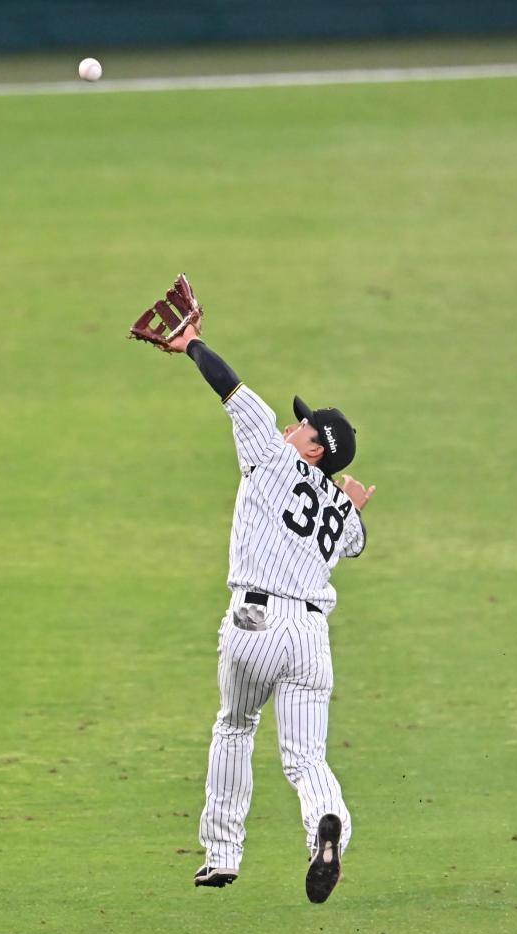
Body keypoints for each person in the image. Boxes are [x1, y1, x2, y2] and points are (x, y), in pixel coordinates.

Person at [166, 323, 375, 904]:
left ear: (313, 448)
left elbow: (230, 388)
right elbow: (356, 538)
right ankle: (326, 829)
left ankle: (221, 855)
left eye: (302, 425)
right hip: (310, 638)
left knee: (235, 725)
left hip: (254, 623)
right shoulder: (340, 510)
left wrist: (191, 346)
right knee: (307, 758)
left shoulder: (269, 456)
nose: (291, 425)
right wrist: (348, 501)